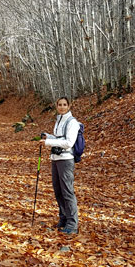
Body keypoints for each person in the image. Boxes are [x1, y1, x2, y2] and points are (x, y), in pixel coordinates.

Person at [40, 97, 80, 235]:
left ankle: (72, 224)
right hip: (56, 159)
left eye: (64, 105)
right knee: (58, 191)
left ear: (69, 106)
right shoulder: (59, 120)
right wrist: (48, 137)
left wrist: (48, 143)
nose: (62, 107)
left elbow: (69, 142)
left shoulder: (72, 122)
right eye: (60, 105)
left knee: (67, 191)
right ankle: (63, 219)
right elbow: (59, 139)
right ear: (56, 106)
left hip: (66, 160)